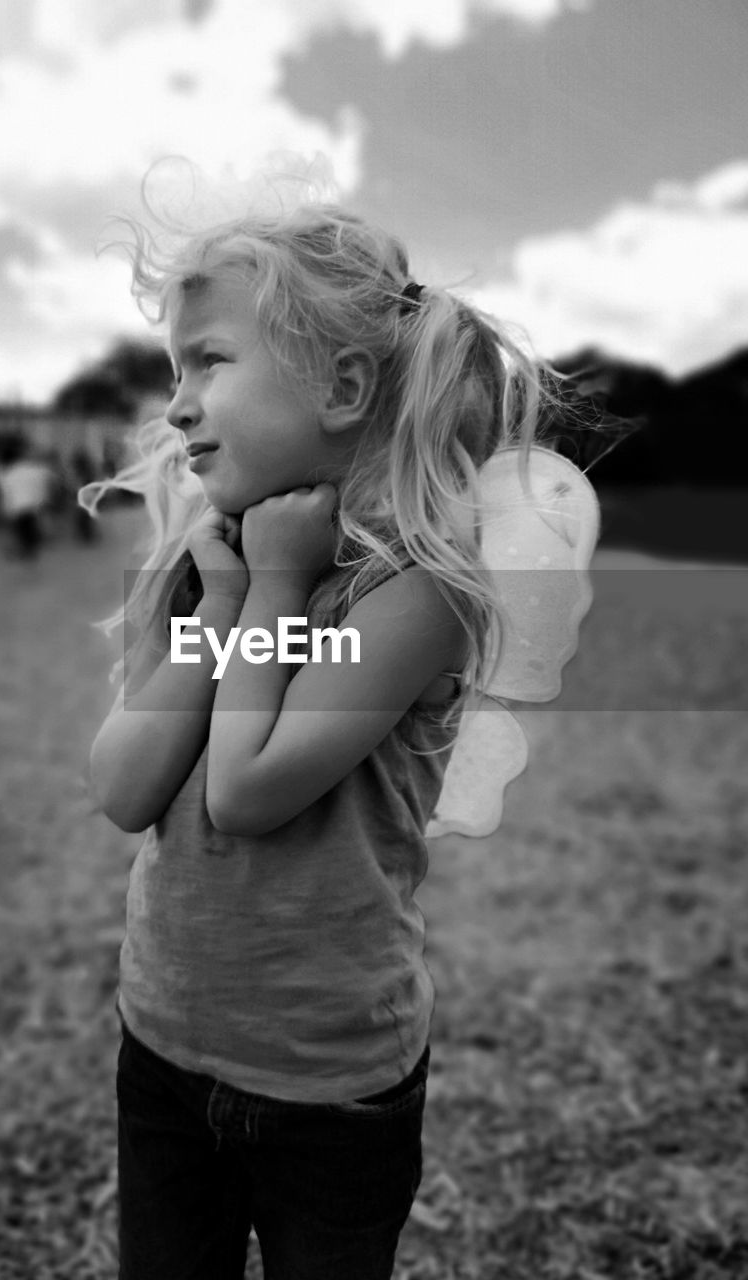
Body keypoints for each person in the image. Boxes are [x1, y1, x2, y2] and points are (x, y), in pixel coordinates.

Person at [86, 199, 592, 1279]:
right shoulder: (202, 565)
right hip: (163, 1041)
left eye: (208, 361)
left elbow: (249, 788)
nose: (177, 407)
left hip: (330, 1084)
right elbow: (124, 784)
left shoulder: (415, 593)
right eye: (172, 371)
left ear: (344, 387)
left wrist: (271, 582)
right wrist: (221, 602)